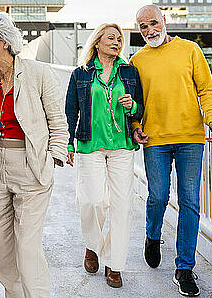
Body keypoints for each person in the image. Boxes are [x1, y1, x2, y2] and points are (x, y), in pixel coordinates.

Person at [0, 12, 69, 298]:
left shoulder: (38, 73)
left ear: (3, 39)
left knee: (27, 247)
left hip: (31, 165)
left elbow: (58, 123)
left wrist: (54, 157)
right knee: (1, 250)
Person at [132, 4, 212, 297]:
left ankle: (184, 268)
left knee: (190, 202)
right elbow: (132, 102)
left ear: (164, 20)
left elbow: (207, 89)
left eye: (153, 23)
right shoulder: (136, 61)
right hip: (155, 140)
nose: (149, 30)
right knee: (157, 197)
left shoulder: (190, 50)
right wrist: (135, 125)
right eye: (143, 26)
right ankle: (152, 235)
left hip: (190, 138)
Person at [64, 23, 144, 288]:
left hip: (121, 146)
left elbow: (140, 108)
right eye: (111, 38)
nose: (117, 42)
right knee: (92, 201)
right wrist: (68, 143)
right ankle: (92, 245)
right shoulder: (80, 75)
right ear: (97, 42)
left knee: (123, 205)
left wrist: (132, 105)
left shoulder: (130, 72)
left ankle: (114, 263)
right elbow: (70, 111)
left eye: (119, 38)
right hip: (90, 144)